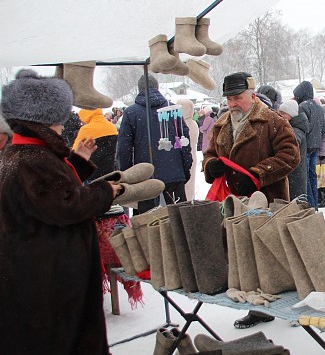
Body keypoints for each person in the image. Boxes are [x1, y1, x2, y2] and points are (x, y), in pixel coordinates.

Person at [0, 69, 122, 355]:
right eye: (58, 121)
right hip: (49, 279)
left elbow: (45, 197)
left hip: (35, 272)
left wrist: (77, 164)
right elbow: (66, 205)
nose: (61, 127)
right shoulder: (34, 160)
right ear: (45, 120)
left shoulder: (19, 155)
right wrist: (106, 192)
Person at [203, 72, 300, 329]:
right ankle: (257, 307)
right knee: (247, 255)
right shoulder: (222, 124)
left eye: (238, 98)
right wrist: (210, 165)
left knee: (275, 255)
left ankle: (293, 305)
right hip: (236, 204)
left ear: (252, 95)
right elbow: (210, 154)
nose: (233, 103)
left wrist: (259, 175)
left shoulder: (272, 120)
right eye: (229, 99)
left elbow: (291, 155)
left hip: (269, 201)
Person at [117, 74, 193, 214]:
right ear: (157, 87)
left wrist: (128, 175)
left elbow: (124, 149)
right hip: (173, 171)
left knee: (148, 222)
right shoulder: (172, 109)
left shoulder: (131, 113)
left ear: (139, 89)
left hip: (146, 175)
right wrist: (185, 167)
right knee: (180, 219)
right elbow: (183, 141)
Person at [293, 80, 325, 208]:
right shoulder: (318, 107)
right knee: (312, 176)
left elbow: (302, 127)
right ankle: (315, 203)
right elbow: (323, 129)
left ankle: (310, 205)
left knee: (304, 177)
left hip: (306, 147)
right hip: (315, 146)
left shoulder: (302, 106)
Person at [74, 108, 118, 182]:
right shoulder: (112, 127)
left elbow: (75, 150)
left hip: (90, 172)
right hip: (109, 170)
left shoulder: (86, 129)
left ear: (86, 115)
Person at [278, 99, 308, 200]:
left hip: (295, 175)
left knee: (295, 206)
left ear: (291, 115)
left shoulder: (296, 131)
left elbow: (290, 147)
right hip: (295, 174)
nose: (280, 115)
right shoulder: (293, 127)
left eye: (283, 113)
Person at [176, 99, 199, 201]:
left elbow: (179, 144)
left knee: (185, 185)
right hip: (192, 156)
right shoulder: (193, 123)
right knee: (190, 183)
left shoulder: (182, 125)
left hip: (183, 157)